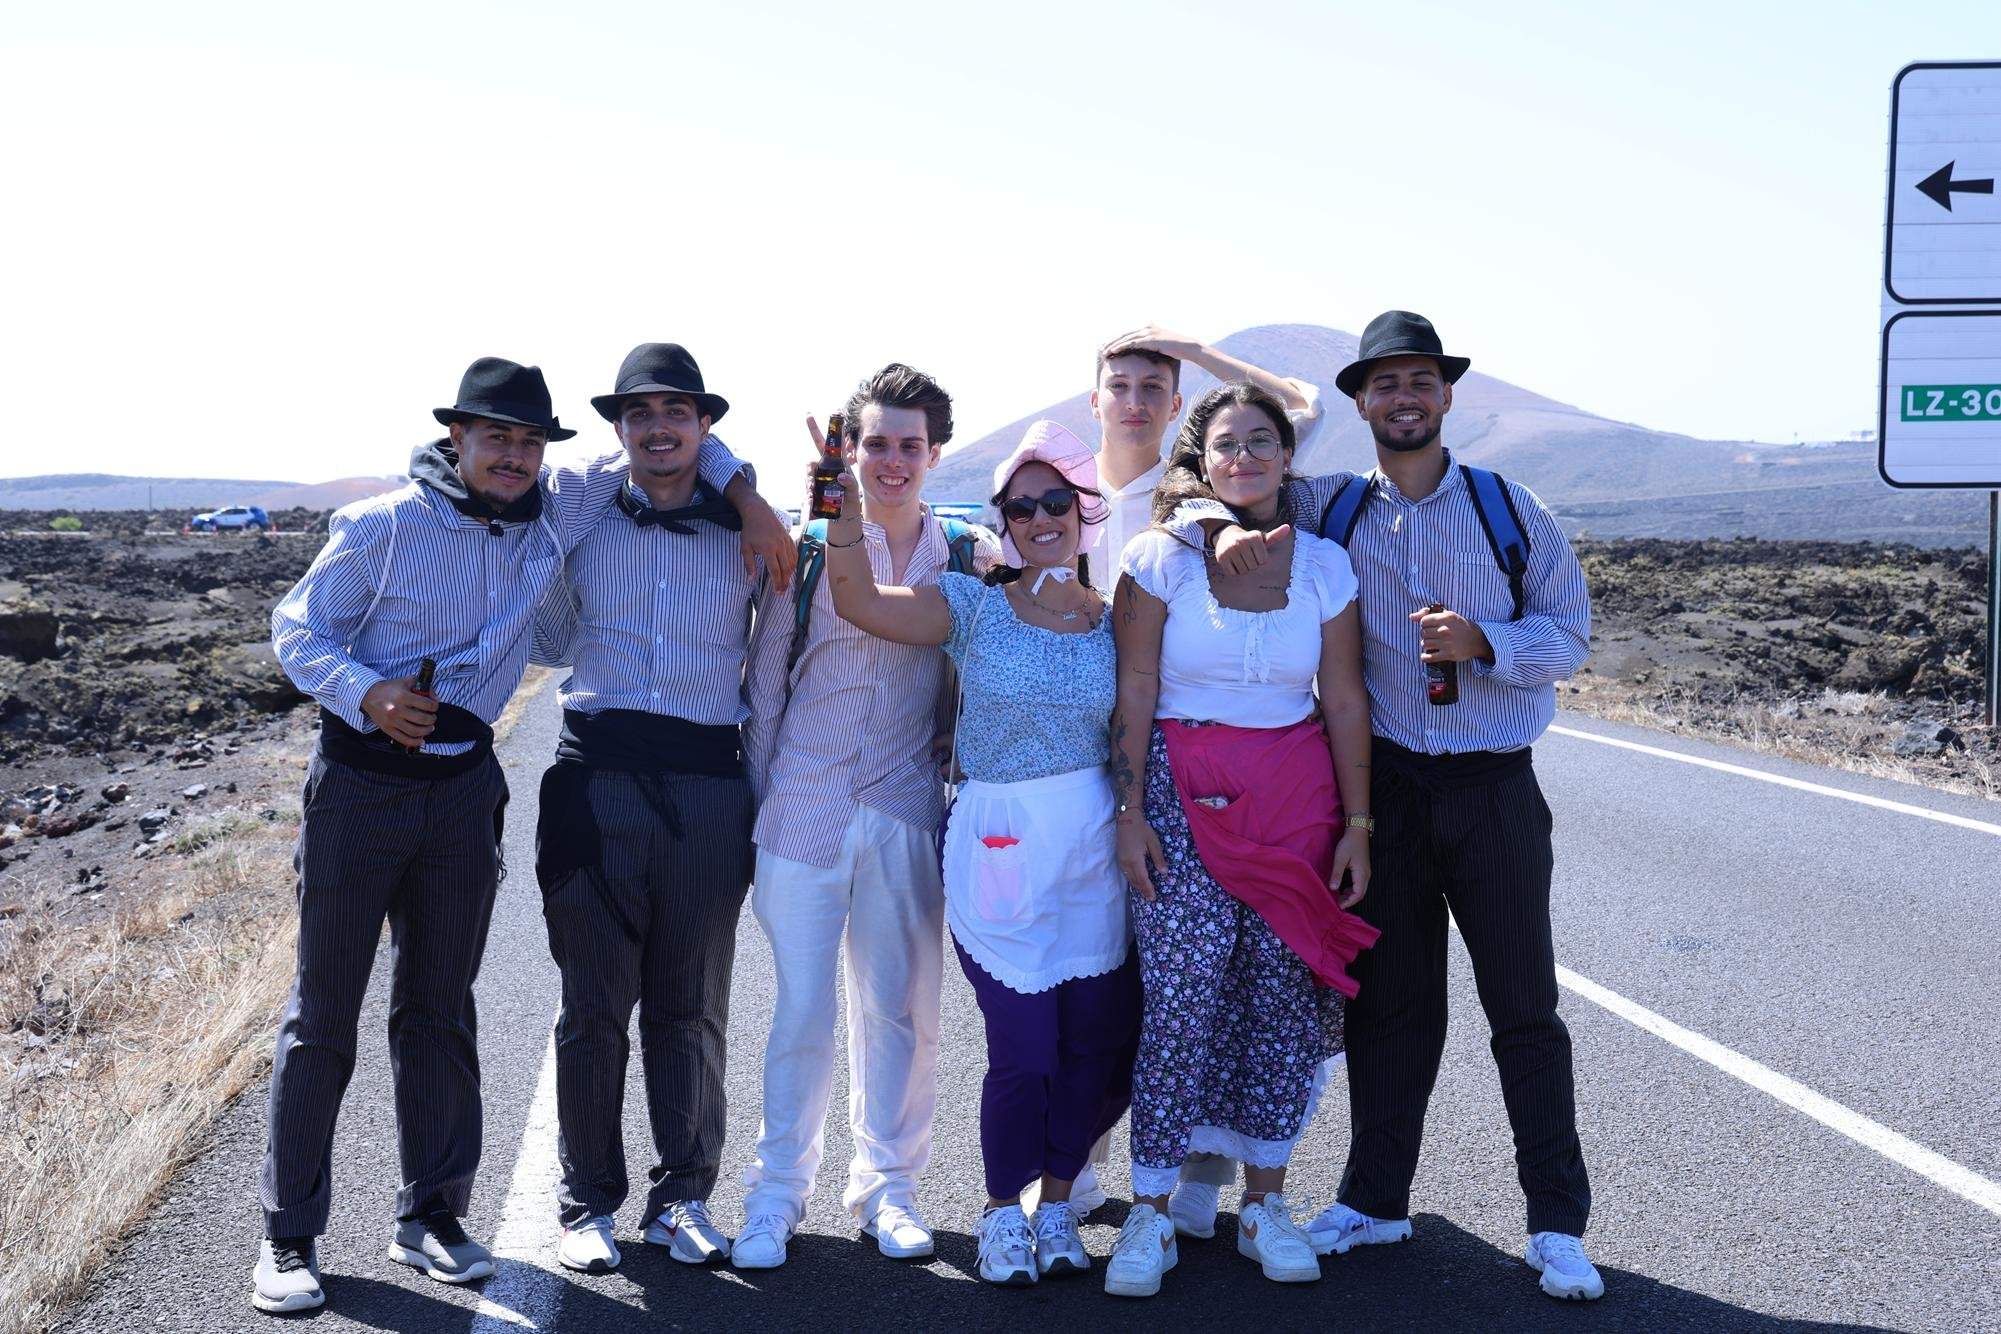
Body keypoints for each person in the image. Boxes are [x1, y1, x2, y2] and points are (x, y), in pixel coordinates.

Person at [256, 357, 778, 1315]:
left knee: (440, 1008)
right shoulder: (380, 526)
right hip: (362, 787)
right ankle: (289, 1235)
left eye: (530, 440)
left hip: (465, 790)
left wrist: (747, 495)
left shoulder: (554, 515)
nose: (514, 453)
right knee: (323, 1014)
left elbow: (677, 449)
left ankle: (434, 1218)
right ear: (456, 437)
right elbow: (295, 628)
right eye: (495, 435)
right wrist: (365, 692)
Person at [1170, 311, 1603, 1301]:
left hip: (1492, 784)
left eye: (1421, 381)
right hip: (1389, 789)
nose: (1404, 398)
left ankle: (1556, 1221)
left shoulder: (1508, 507)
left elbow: (1569, 632)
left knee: (1523, 1008)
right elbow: (1233, 473)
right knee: (1392, 1008)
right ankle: (1375, 1197)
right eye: (1386, 384)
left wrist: (1487, 642)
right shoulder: (1331, 507)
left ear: (1446, 395)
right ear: (1362, 402)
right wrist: (1212, 520)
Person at [824, 418, 1139, 1287]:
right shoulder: (973, 608)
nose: (1040, 517)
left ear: (1086, 511)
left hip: (1090, 854)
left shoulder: (1119, 623)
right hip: (999, 849)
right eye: (1020, 505)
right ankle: (1003, 1212)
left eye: (1056, 501)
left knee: (1096, 1048)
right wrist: (839, 503)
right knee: (1025, 1049)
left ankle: (1059, 1200)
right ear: (1002, 517)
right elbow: (856, 599)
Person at [1100, 382, 1376, 1298]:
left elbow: (1341, 699)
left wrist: (1358, 825)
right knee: (1178, 999)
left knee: (1278, 1003)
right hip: (1181, 801)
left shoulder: (1328, 565)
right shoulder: (1159, 557)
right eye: (1227, 443)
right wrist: (1129, 813)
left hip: (1297, 810)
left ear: (1287, 458)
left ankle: (1264, 1202)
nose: (1246, 456)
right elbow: (1133, 691)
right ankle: (1148, 1205)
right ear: (1202, 459)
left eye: (1263, 441)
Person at [1054, 327, 1326, 1232]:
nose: (1132, 398)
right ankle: (1080, 1161)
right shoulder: (1055, 483)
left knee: (1211, 970)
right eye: (1117, 383)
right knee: (1105, 972)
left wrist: (1191, 348)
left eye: (1152, 385)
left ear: (1176, 406)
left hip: (1173, 761)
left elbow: (1297, 408)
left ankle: (1202, 1177)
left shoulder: (1207, 484)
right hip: (1077, 756)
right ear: (1092, 398)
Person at [734, 364, 1000, 1269]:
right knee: (801, 1013)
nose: (892, 461)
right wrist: (768, 800)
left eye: (909, 446)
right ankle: (775, 1195)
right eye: (876, 443)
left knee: (902, 1013)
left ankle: (887, 1189)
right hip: (801, 806)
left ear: (936, 453)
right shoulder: (808, 550)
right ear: (851, 450)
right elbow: (766, 683)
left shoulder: (966, 556)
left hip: (904, 808)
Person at [530, 343, 779, 1276]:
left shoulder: (752, 533)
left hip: (711, 785)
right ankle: (585, 1202)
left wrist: (740, 491)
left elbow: (783, 651)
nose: (659, 428)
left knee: (690, 1006)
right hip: (595, 780)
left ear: (706, 422)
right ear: (621, 427)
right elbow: (577, 483)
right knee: (592, 1007)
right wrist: (732, 471)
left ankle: (682, 1199)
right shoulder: (585, 512)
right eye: (640, 414)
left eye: (680, 412)